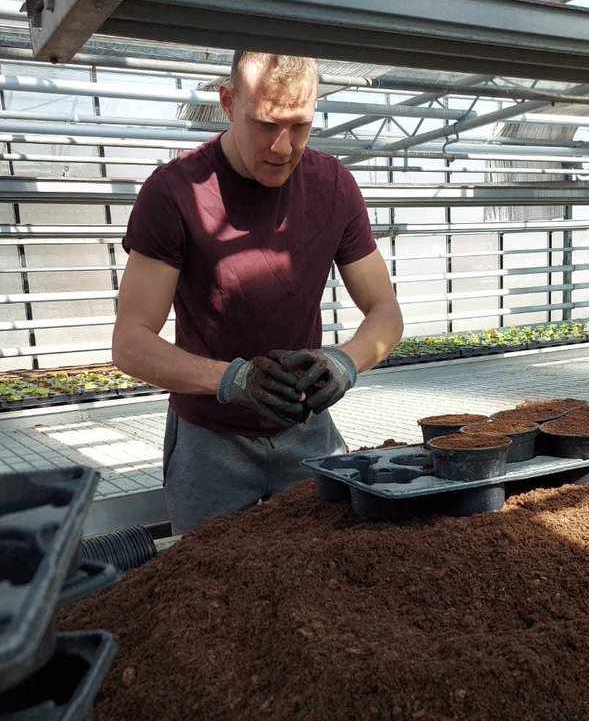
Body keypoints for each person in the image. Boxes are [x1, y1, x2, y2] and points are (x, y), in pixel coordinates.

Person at [112, 51, 403, 532]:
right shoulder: (175, 193)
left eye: (301, 125)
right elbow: (131, 341)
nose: (284, 147)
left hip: (307, 431)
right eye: (266, 124)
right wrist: (233, 380)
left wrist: (344, 362)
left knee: (329, 572)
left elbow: (384, 310)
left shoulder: (334, 186)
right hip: (210, 441)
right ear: (228, 102)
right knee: (209, 588)